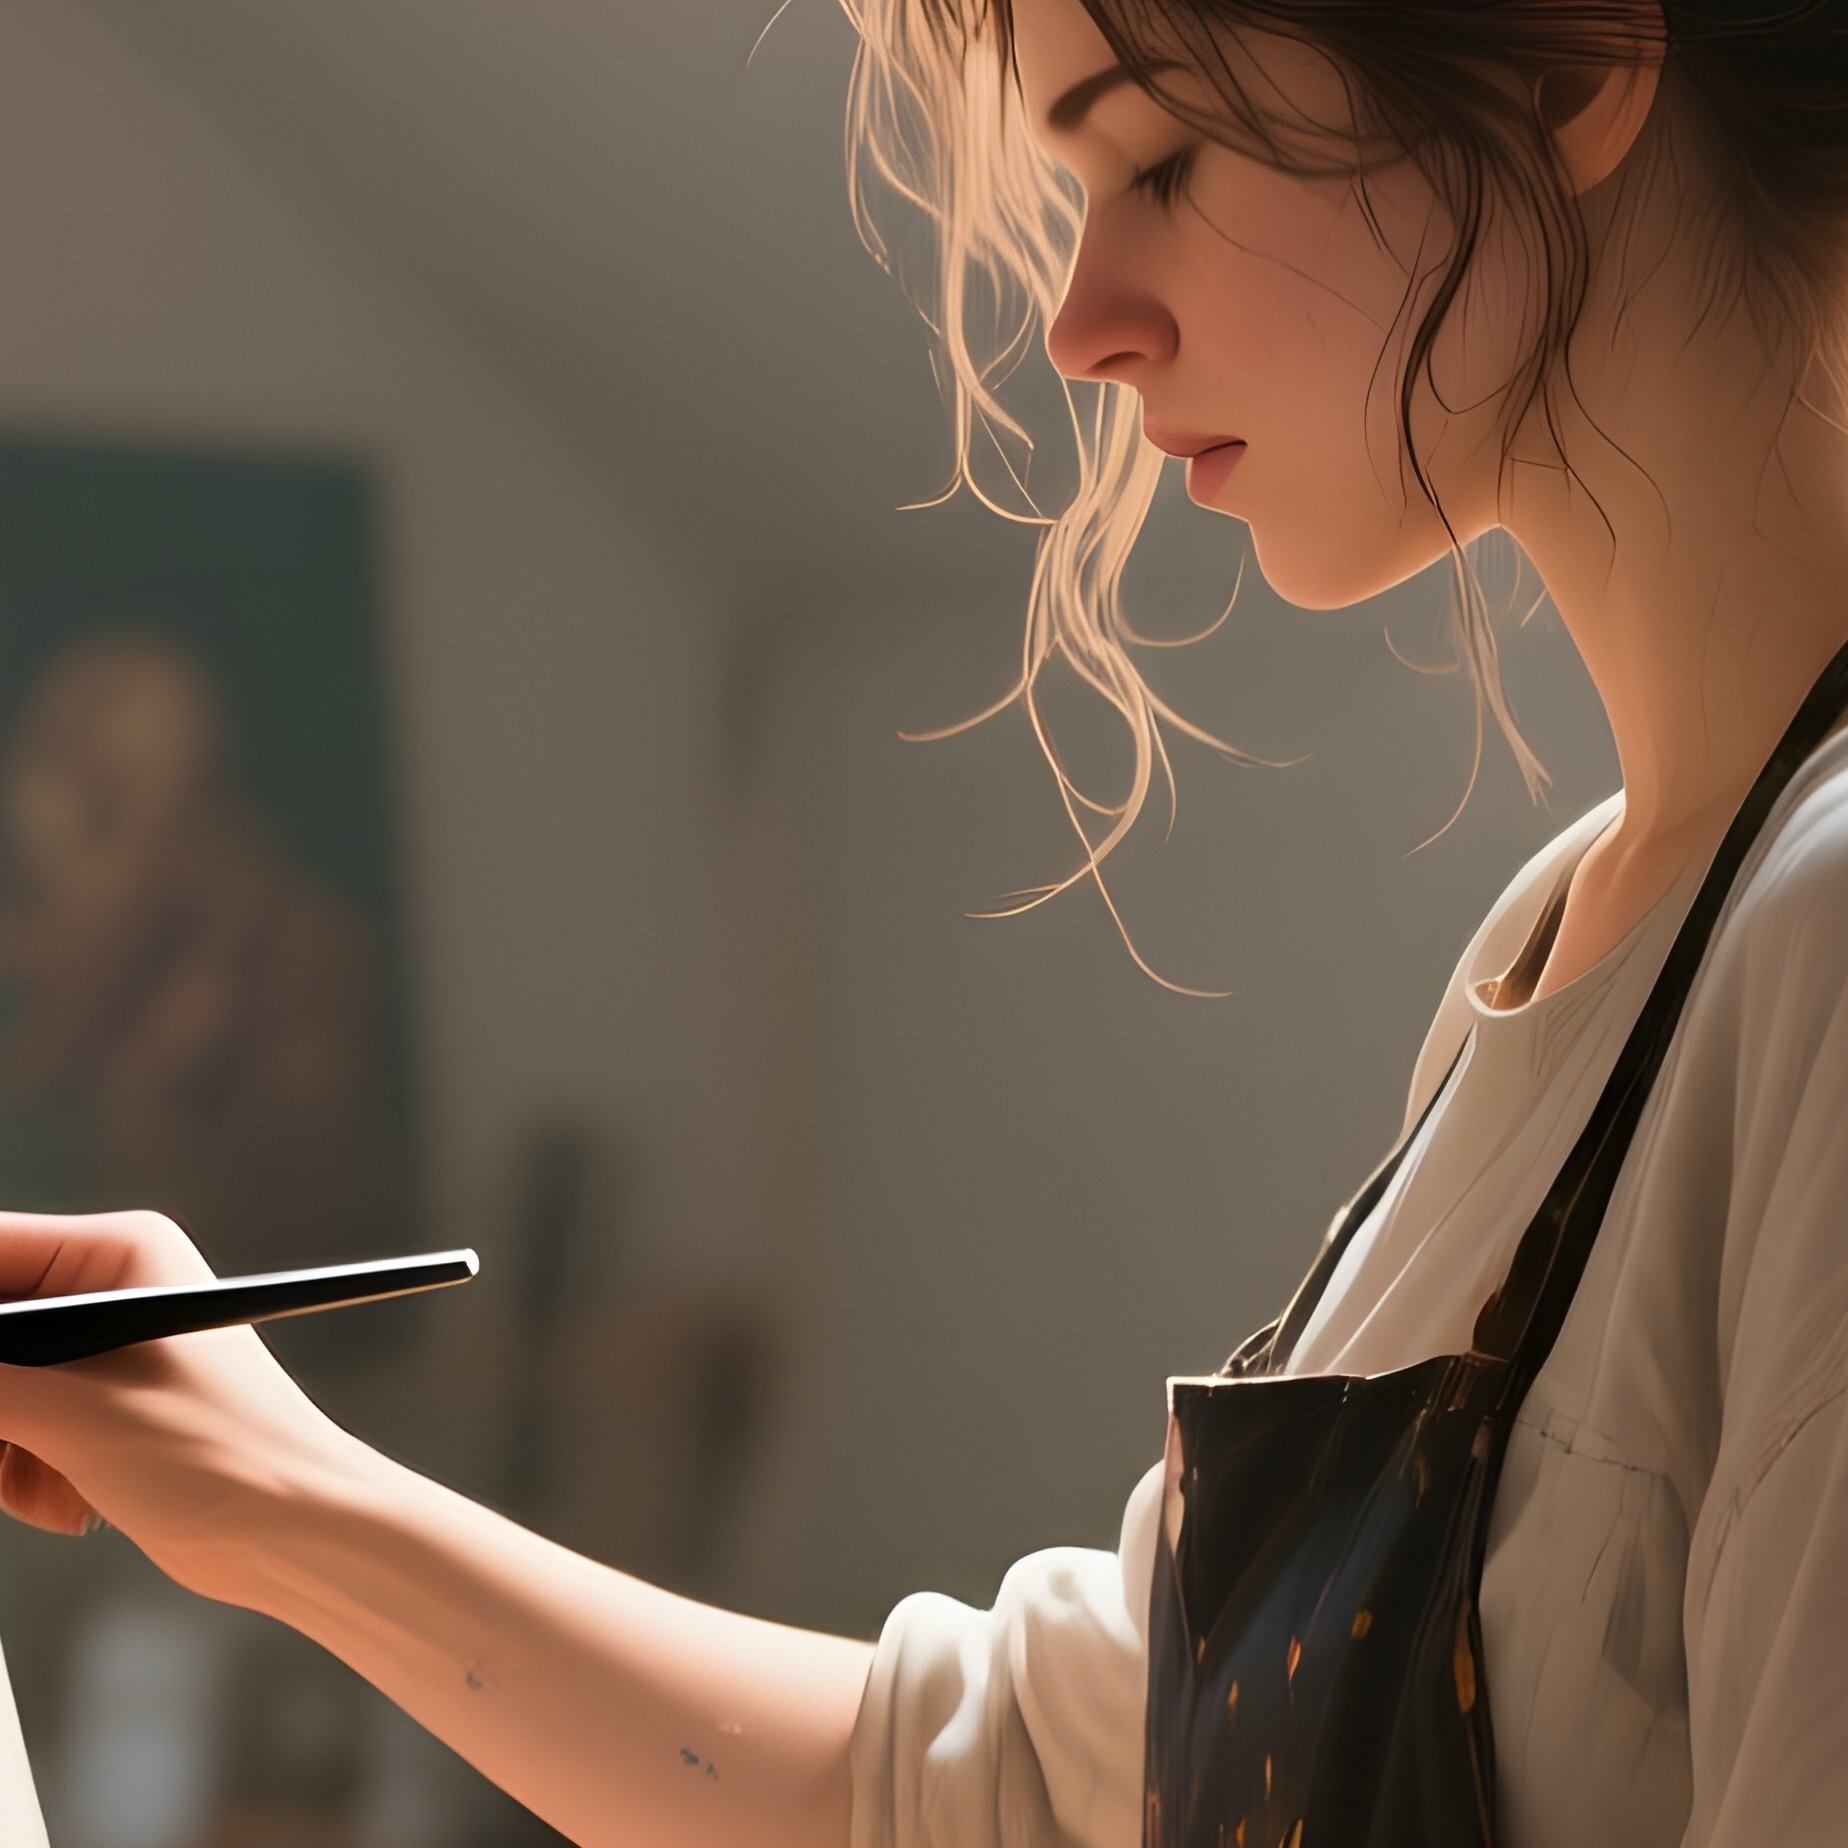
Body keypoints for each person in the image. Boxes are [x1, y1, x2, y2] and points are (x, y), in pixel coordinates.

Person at [1, 0, 1846, 1844]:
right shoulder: (1575, 935)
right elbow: (1023, 1788)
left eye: (1162, 158)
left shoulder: (1822, 939)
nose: (1083, 321)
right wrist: (268, 1487)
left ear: (1571, 62)